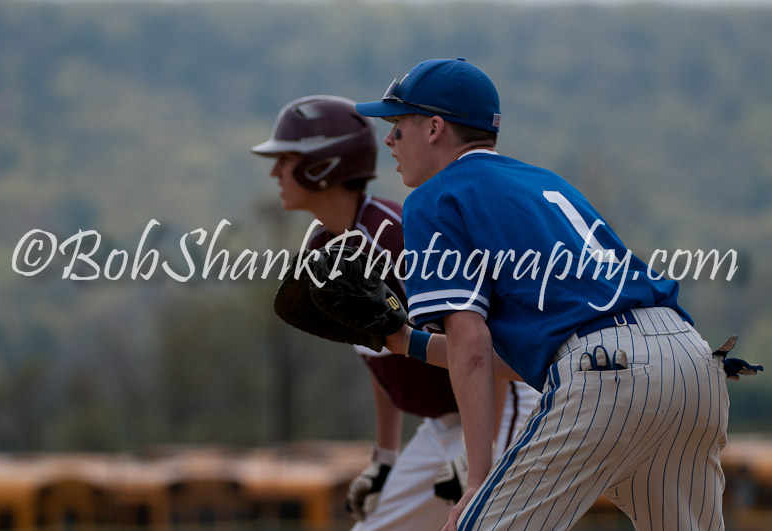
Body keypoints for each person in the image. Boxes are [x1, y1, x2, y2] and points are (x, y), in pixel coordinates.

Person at [355, 58, 731, 530]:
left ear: (434, 127)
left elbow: (472, 343)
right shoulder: (546, 183)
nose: (388, 140)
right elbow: (534, 355)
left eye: (397, 125)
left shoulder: (435, 196)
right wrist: (401, 340)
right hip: (692, 361)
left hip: (608, 372)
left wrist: (477, 480)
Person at [251, 95, 541, 530]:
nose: (275, 171)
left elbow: (481, 338)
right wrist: (385, 458)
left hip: (500, 406)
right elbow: (378, 356)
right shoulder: (324, 248)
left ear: (323, 165)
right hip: (441, 426)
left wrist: (478, 451)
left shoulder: (395, 235)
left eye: (287, 158)